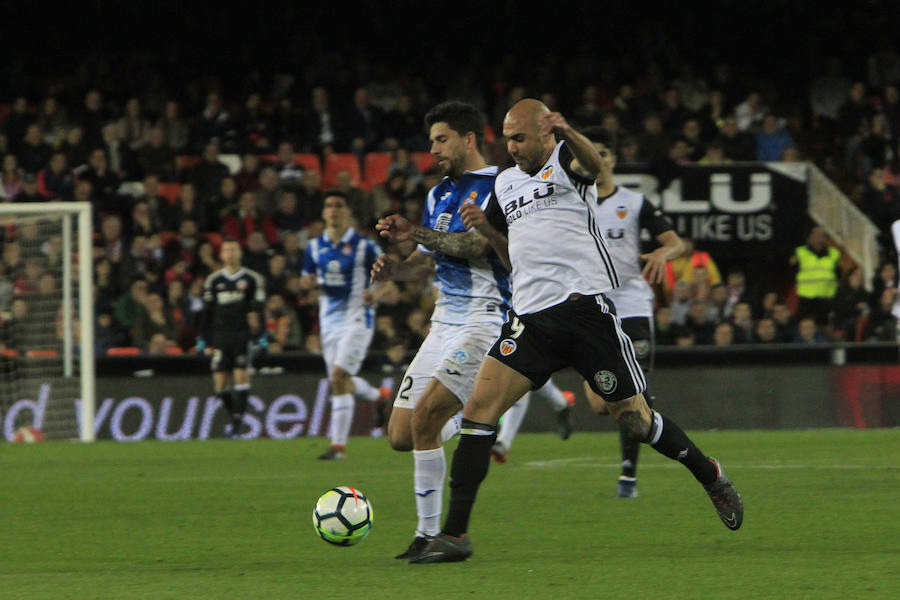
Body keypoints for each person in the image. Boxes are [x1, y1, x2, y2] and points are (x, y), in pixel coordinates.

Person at [410, 99, 743, 564]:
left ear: (545, 134)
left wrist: (568, 132)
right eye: (506, 138)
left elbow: (592, 164)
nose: (512, 147)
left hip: (585, 314)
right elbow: (511, 257)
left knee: (635, 419)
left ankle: (709, 473)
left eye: (520, 137)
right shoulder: (505, 183)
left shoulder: (566, 163)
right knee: (480, 412)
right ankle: (455, 536)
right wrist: (487, 227)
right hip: (530, 319)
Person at [370, 100, 512, 560]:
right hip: (444, 322)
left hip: (485, 318)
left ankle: (428, 535)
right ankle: (471, 416)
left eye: (441, 139)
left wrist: (417, 233)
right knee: (401, 435)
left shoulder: (500, 186)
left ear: (469, 138)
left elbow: (474, 246)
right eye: (431, 140)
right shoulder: (437, 194)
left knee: (426, 417)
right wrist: (394, 267)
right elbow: (429, 261)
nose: (433, 149)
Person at [578, 125, 685, 498]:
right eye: (591, 152)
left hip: (633, 306)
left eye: (603, 153)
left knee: (634, 387)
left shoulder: (635, 203)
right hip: (594, 308)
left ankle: (628, 475)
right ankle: (635, 439)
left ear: (613, 159)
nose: (598, 159)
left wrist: (661, 253)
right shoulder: (575, 202)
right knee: (597, 402)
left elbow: (676, 243)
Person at [300, 190, 391, 459]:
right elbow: (307, 279)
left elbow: (388, 275)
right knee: (341, 381)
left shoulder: (364, 246)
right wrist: (306, 285)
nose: (333, 210)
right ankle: (378, 395)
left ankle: (338, 447)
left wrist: (375, 295)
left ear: (348, 212)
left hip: (357, 320)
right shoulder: (314, 247)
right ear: (323, 212)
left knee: (339, 377)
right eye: (329, 205)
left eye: (339, 205)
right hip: (329, 323)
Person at [196, 238, 267, 438]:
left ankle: (237, 425)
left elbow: (258, 310)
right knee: (219, 386)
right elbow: (207, 312)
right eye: (226, 250)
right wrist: (202, 338)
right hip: (220, 337)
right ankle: (236, 419)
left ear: (240, 253)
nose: (230, 253)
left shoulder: (252, 279)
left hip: (241, 335)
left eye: (234, 249)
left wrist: (261, 335)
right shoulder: (214, 280)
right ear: (221, 255)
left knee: (241, 377)